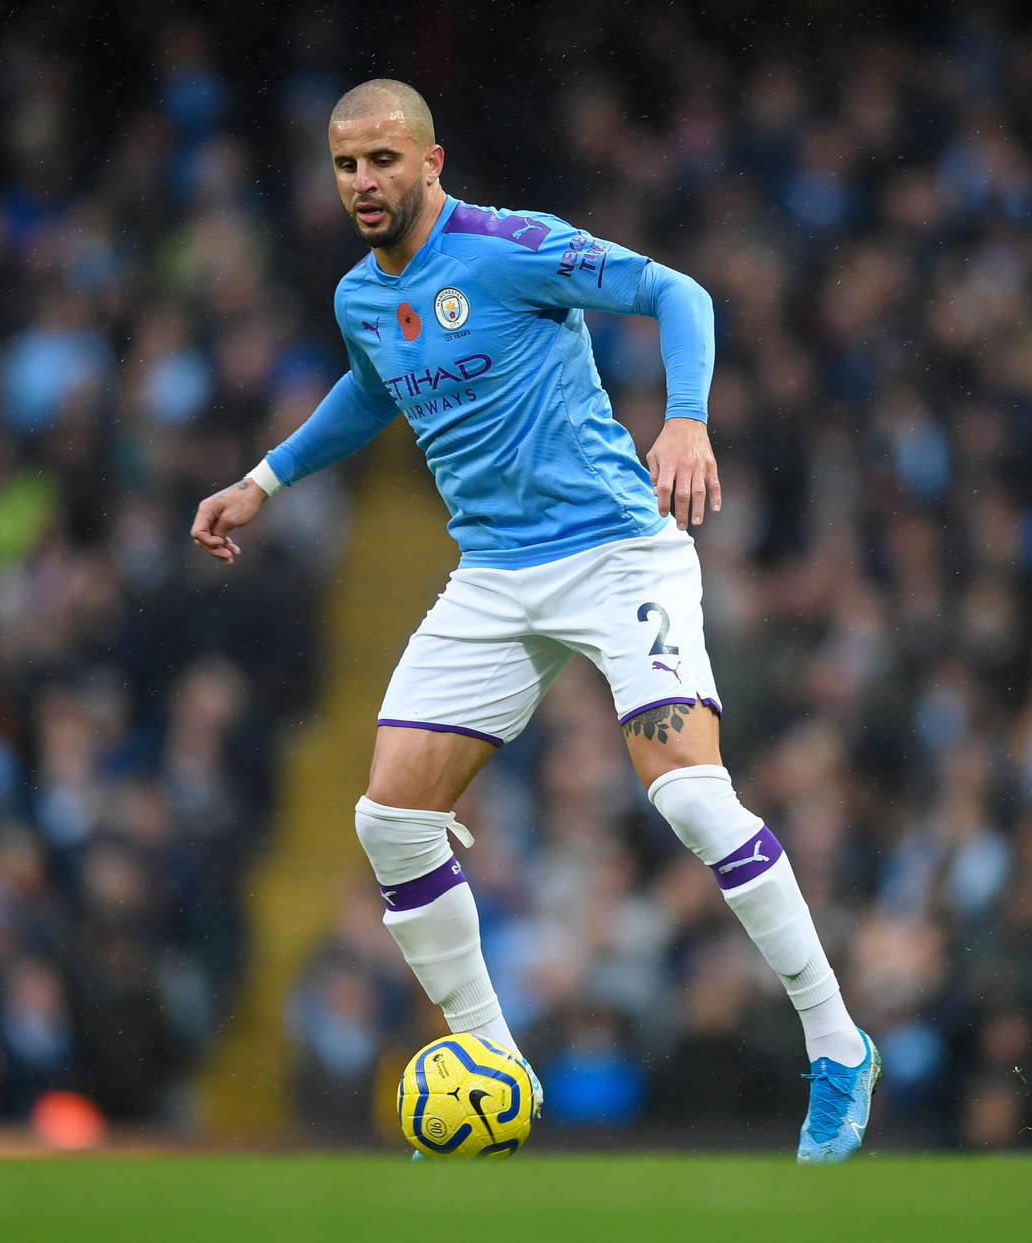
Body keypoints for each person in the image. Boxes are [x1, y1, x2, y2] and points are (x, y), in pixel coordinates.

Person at [190, 79, 875, 1162]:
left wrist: (687, 421)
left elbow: (680, 293)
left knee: (693, 797)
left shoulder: (511, 248)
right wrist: (264, 481)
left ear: (432, 160)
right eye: (344, 165)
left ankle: (838, 1046)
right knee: (388, 821)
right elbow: (374, 388)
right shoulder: (361, 297)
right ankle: (492, 1063)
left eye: (382, 160)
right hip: (496, 577)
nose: (363, 182)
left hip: (615, 552)